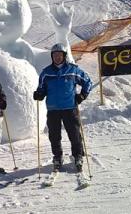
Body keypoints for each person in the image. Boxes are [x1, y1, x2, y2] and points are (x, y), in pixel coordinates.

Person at [33, 43, 93, 173]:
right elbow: (41, 88)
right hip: (53, 109)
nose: (57, 57)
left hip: (70, 107)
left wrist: (82, 95)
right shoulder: (46, 73)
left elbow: (88, 81)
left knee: (74, 134)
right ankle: (58, 158)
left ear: (64, 56)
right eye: (55, 55)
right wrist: (39, 94)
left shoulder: (73, 70)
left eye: (60, 55)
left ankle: (77, 156)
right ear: (52, 56)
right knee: (54, 136)